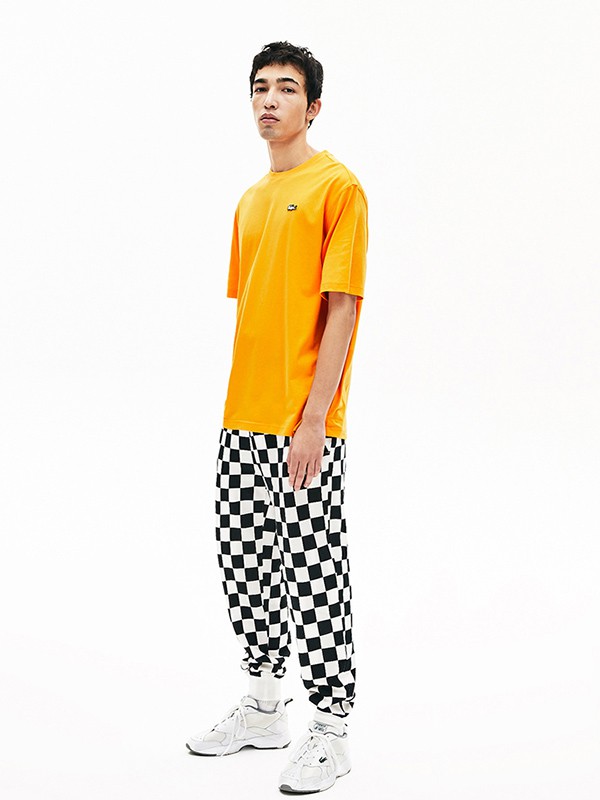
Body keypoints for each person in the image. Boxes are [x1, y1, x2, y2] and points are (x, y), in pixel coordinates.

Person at [186, 40, 368, 794]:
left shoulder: (338, 187)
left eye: (287, 88)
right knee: (245, 561)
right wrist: (245, 416)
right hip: (243, 415)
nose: (270, 99)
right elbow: (257, 311)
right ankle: (265, 708)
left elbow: (342, 308)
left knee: (315, 571)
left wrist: (314, 418)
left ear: (313, 106)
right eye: (260, 87)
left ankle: (332, 729)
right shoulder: (251, 200)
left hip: (304, 423)